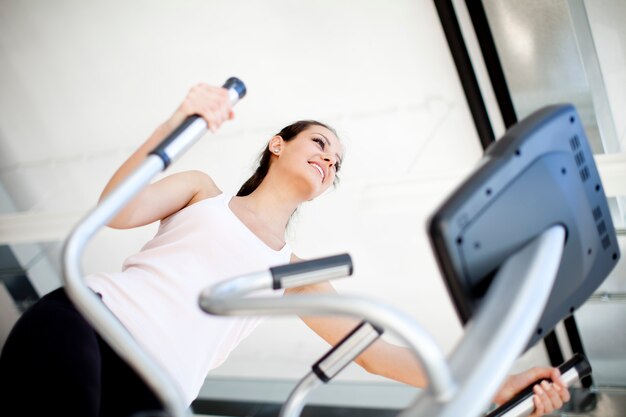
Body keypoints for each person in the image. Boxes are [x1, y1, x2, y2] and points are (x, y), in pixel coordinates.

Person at [0, 83, 570, 417]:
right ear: (278, 144)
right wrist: (180, 119)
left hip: (160, 388)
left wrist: (495, 382)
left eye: (337, 163)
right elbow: (118, 209)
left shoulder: (294, 274)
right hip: (90, 322)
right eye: (320, 143)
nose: (330, 160)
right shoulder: (202, 192)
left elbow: (376, 354)